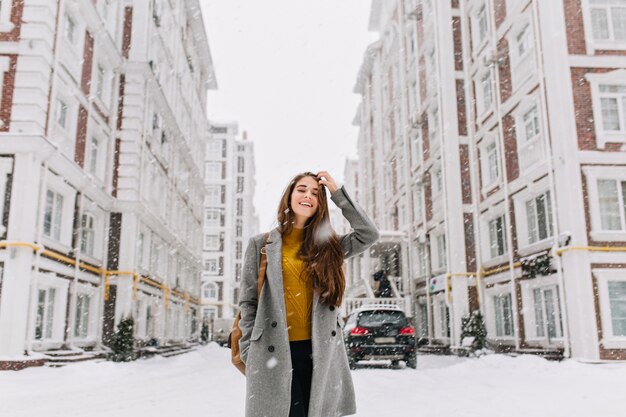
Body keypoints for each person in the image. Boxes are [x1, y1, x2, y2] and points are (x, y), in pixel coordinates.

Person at [238, 171, 379, 417]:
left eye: (315, 193)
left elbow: (368, 234)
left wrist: (337, 194)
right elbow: (249, 301)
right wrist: (250, 349)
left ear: (320, 204)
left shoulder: (329, 246)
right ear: (290, 196)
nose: (308, 196)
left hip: (319, 352)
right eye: (302, 189)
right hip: (273, 350)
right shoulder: (261, 245)